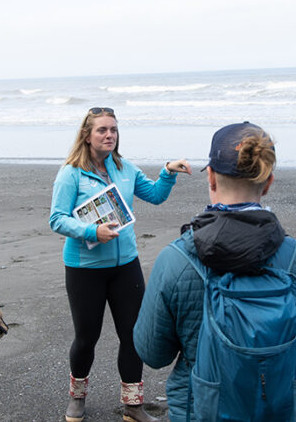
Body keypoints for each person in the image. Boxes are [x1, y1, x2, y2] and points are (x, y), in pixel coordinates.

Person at [134, 122, 296, 422]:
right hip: (284, 404)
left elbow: (152, 353)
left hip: (201, 407)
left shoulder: (176, 259)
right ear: (269, 181)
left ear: (210, 177)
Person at [49, 107, 191, 422]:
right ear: (87, 135)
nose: (109, 135)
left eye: (113, 129)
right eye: (102, 130)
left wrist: (167, 172)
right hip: (84, 268)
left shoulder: (124, 168)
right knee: (87, 337)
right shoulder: (71, 173)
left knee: (133, 335)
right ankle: (77, 398)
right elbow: (56, 219)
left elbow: (154, 195)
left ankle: (133, 405)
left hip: (125, 265)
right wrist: (90, 231)